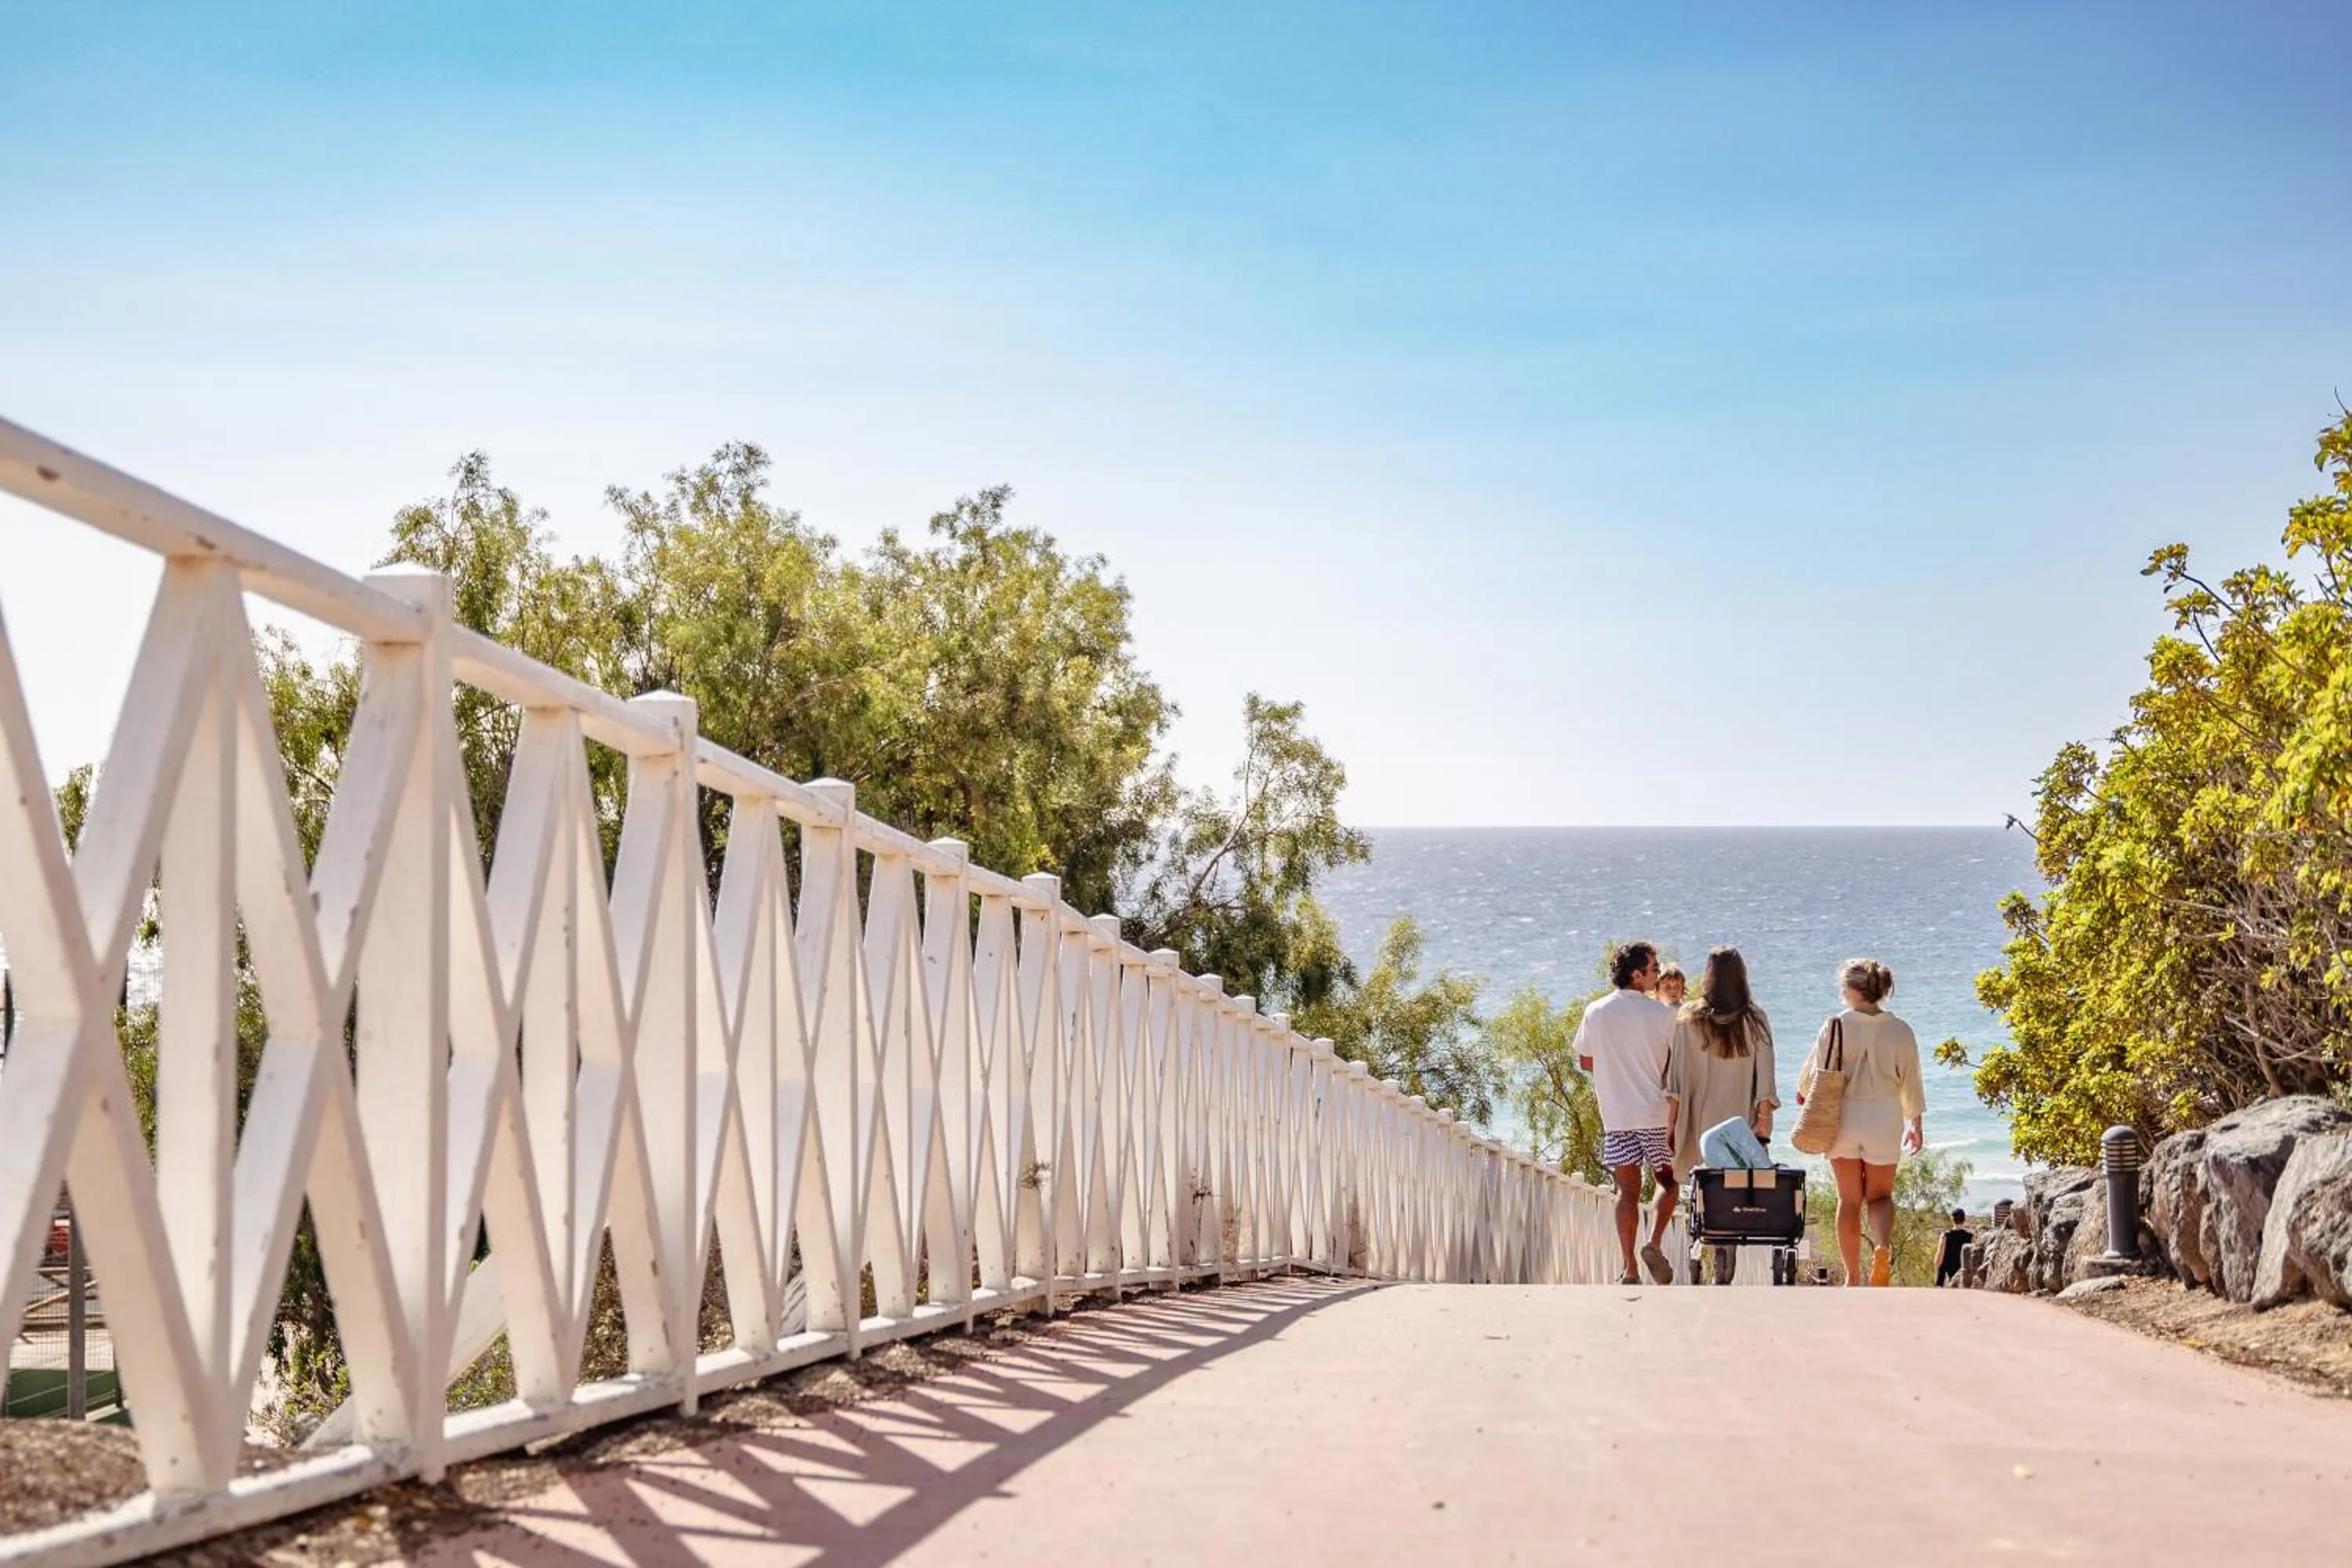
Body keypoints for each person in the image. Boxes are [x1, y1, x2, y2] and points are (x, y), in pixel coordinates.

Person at [1796, 957, 1926, 1287]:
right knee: (1880, 1198)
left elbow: (1813, 1074)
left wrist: (1804, 1095)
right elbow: (1911, 1081)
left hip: (1843, 1115)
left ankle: (1853, 1276)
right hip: (1884, 1115)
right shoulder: (1900, 1030)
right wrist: (1916, 1123)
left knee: (1849, 1200)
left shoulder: (1836, 1026)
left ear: (1853, 990)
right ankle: (1881, 1246)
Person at [1663, 946, 1779, 1284]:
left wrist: (1671, 1125)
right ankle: (1726, 1262)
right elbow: (1766, 1078)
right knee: (1735, 1191)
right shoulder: (1755, 1019)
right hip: (1738, 1125)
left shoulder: (1688, 1018)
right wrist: (1764, 1123)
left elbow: (1677, 1082)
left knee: (1704, 1190)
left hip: (1700, 1123)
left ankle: (1707, 1252)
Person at [1573, 939, 1679, 1284]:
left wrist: (1614, 1067)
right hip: (1655, 1115)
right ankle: (1654, 1243)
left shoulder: (1595, 1011)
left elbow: (1586, 1060)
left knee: (1626, 1192)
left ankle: (1629, 1269)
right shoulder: (1664, 1015)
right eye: (1653, 968)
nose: (1658, 974)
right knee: (1668, 1181)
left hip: (1616, 1117)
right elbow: (1677, 1065)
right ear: (1636, 975)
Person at [1935, 1207, 1973, 1288]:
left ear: (1953, 1220)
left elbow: (1940, 1253)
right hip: (1962, 1267)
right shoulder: (1970, 1236)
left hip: (1947, 1268)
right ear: (1964, 1220)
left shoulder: (1946, 1235)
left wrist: (1937, 1265)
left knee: (1942, 1269)